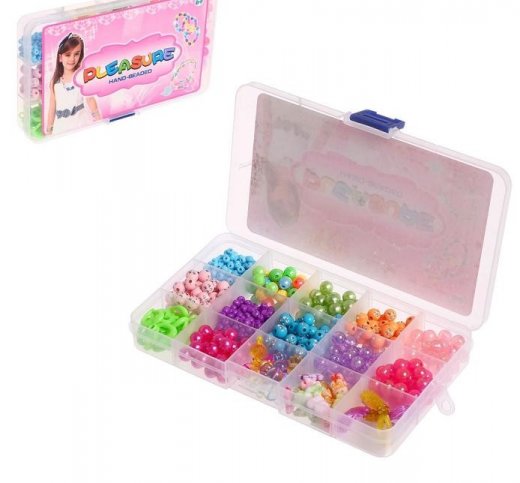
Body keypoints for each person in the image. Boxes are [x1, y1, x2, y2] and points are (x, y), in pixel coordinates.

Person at [46, 33, 101, 135]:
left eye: (76, 54)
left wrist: (98, 119)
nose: (72, 59)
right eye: (68, 55)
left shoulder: (81, 76)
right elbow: (52, 107)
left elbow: (90, 99)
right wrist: (49, 130)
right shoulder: (55, 81)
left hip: (80, 123)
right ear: (60, 57)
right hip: (61, 127)